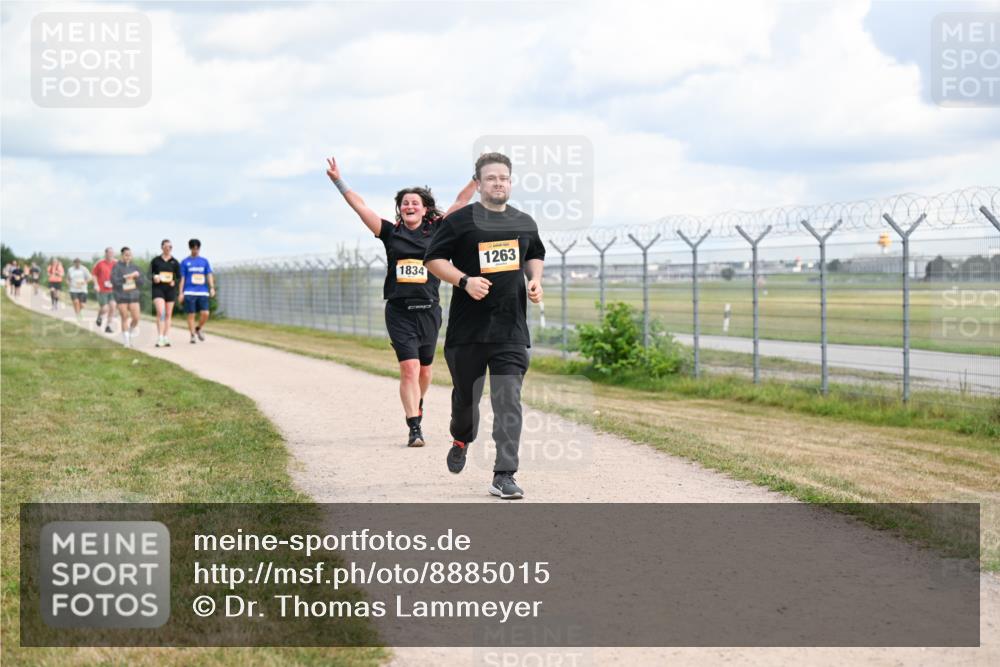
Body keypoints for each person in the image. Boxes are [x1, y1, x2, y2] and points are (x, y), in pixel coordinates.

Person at [326, 156, 476, 448]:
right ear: (400, 208)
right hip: (399, 312)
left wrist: (478, 177)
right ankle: (414, 426)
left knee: (424, 370)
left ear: (424, 208)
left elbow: (460, 202)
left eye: (414, 203)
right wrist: (338, 181)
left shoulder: (437, 231)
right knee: (408, 368)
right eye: (405, 203)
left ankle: (417, 404)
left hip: (429, 311)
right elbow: (360, 207)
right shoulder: (390, 233)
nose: (409, 206)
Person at [425, 152, 545, 500]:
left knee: (508, 400)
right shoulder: (460, 221)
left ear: (510, 182)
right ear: (478, 183)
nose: (498, 183)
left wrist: (534, 279)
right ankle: (462, 437)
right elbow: (433, 260)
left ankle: (504, 473)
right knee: (466, 402)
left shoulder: (523, 222)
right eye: (491, 178)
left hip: (510, 330)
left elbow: (534, 253)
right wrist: (464, 281)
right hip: (467, 334)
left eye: (504, 178)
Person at [178, 239, 215, 344]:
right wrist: (181, 293)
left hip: (202, 291)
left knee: (205, 313)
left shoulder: (204, 261)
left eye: (197, 248)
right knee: (191, 314)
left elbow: (209, 275)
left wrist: (212, 287)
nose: (196, 250)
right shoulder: (185, 262)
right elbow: (182, 278)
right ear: (190, 248)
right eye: (194, 248)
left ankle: (198, 328)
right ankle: (192, 335)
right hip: (189, 291)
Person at [150, 239, 181, 347]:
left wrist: (174, 282)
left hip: (170, 290)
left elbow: (179, 277)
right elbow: (149, 274)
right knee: (161, 312)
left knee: (168, 314)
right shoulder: (156, 261)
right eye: (166, 246)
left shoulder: (175, 262)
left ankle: (166, 337)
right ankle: (160, 337)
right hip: (158, 289)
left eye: (170, 247)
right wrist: (154, 277)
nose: (168, 248)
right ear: (162, 247)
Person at [111, 247, 144, 348]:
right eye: (126, 255)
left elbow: (141, 282)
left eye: (129, 255)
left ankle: (129, 333)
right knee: (124, 317)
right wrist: (127, 277)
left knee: (136, 318)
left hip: (133, 295)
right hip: (121, 296)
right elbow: (114, 281)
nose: (128, 257)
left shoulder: (136, 267)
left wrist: (137, 277)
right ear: (122, 255)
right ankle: (126, 341)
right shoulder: (116, 267)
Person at [91, 247, 117, 333]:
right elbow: (94, 275)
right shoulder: (100, 263)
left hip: (113, 289)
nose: (111, 255)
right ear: (105, 253)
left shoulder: (116, 263)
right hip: (102, 289)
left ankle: (108, 326)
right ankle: (99, 317)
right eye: (109, 253)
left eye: (112, 253)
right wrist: (96, 284)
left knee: (113, 307)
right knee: (105, 308)